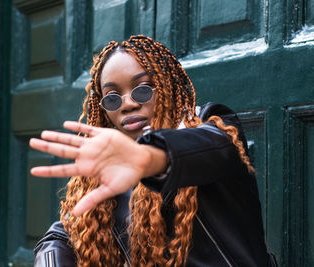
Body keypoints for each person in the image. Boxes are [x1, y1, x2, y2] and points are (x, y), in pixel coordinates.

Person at [30, 35, 276, 266]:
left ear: (167, 86)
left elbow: (203, 150)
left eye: (143, 89)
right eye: (113, 98)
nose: (128, 104)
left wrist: (147, 158)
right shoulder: (110, 174)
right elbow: (61, 234)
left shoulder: (216, 129)